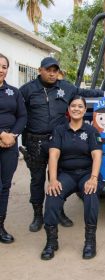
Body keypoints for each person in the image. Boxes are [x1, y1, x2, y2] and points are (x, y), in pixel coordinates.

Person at [19, 57, 105, 233]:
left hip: (58, 140)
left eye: (55, 70)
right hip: (35, 141)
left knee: (58, 178)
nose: (52, 73)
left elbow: (84, 92)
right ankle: (37, 215)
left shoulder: (65, 87)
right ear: (40, 70)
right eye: (48, 70)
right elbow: (16, 111)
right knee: (37, 179)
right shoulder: (27, 90)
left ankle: (59, 212)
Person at [41, 96, 102, 260]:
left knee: (90, 194)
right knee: (52, 194)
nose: (76, 108)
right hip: (66, 174)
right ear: (68, 109)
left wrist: (94, 178)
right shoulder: (60, 130)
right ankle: (51, 242)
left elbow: (97, 156)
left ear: (84, 110)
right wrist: (53, 180)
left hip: (87, 174)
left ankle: (90, 242)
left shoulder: (91, 131)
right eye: (73, 106)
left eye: (80, 106)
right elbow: (53, 156)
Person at [0, 53, 27, 243]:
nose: (1, 69)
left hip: (9, 145)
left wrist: (12, 136)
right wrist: (1, 134)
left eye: (4, 66)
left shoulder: (13, 92)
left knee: (5, 186)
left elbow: (22, 116)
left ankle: (0, 226)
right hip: (3, 137)